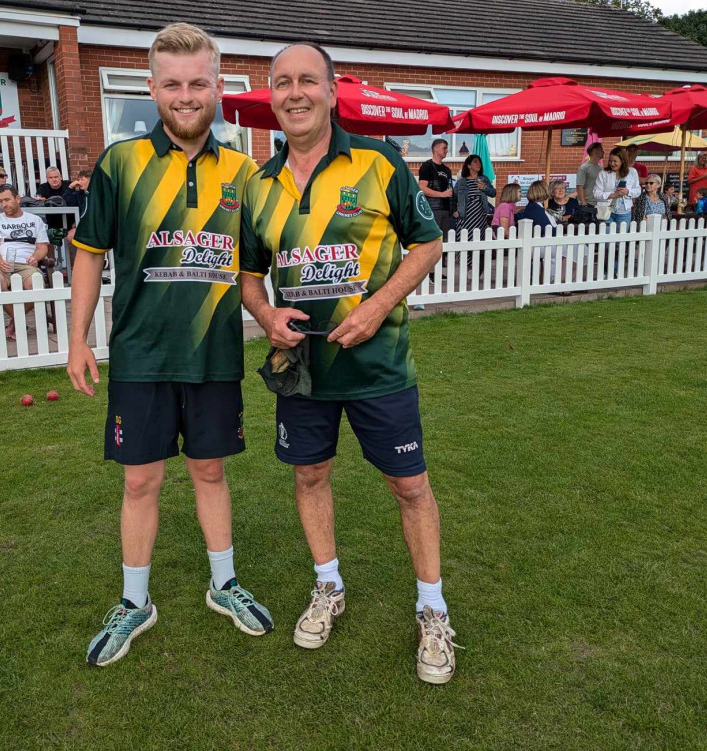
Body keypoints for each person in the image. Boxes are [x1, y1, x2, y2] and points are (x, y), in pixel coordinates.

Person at [238, 41, 456, 685]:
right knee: (309, 477)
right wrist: (265, 316)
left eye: (309, 81)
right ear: (272, 97)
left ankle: (433, 609)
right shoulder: (259, 184)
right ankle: (327, 587)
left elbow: (428, 241)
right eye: (283, 83)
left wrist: (377, 304)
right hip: (302, 370)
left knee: (410, 487)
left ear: (333, 92)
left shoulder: (378, 160)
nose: (295, 93)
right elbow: (251, 277)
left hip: (379, 366)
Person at [66, 23, 272, 668]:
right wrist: (77, 340)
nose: (187, 95)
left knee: (210, 471)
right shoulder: (121, 162)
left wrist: (273, 316)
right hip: (141, 356)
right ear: (153, 88)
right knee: (141, 480)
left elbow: (252, 268)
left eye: (199, 83)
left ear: (218, 86)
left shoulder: (244, 172)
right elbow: (89, 256)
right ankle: (135, 602)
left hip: (213, 355)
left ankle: (224, 585)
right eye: (173, 84)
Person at [0, 184, 49, 338]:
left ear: (17, 198)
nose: (4, 204)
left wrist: (36, 257)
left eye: (7, 200)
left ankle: (14, 323)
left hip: (26, 263)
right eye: (1, 201)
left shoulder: (34, 220)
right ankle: (19, 322)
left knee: (36, 284)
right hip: (2, 262)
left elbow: (42, 247)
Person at [593, 146, 640, 228]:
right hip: (606, 210)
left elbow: (638, 191)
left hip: (624, 212)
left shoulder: (632, 172)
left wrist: (627, 192)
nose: (612, 164)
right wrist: (612, 195)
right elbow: (596, 193)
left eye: (615, 161)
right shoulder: (603, 173)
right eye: (610, 161)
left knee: (621, 239)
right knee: (607, 238)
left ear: (622, 161)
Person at [452, 154, 495, 239]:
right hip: (465, 215)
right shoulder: (461, 182)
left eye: (479, 162)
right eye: (475, 162)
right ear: (468, 165)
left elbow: (493, 193)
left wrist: (485, 188)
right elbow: (453, 198)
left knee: (478, 240)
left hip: (480, 215)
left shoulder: (484, 179)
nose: (478, 164)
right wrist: (454, 211)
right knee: (465, 239)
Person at [418, 138, 454, 239]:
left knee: (445, 241)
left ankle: (444, 256)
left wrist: (453, 208)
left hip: (446, 210)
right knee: (434, 240)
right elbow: (422, 188)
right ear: (436, 148)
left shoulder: (447, 170)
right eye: (444, 148)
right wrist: (442, 194)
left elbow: (450, 190)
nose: (447, 151)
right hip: (433, 209)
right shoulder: (427, 166)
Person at [576, 142, 604, 208]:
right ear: (595, 151)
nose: (603, 151)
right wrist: (584, 204)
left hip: (599, 203)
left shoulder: (601, 168)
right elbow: (579, 187)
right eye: (601, 149)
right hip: (588, 203)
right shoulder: (584, 168)